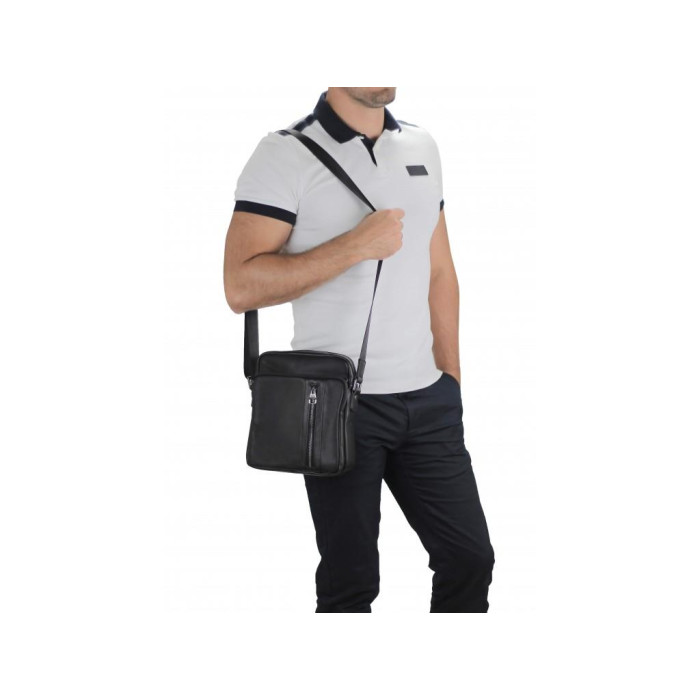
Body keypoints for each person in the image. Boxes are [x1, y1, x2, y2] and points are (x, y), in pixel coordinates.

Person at [224, 87, 495, 612]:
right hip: (337, 406)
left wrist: (451, 379)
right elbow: (240, 286)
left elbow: (439, 269)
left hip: (429, 402)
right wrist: (354, 246)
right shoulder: (284, 153)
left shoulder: (421, 145)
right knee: (350, 584)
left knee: (470, 560)